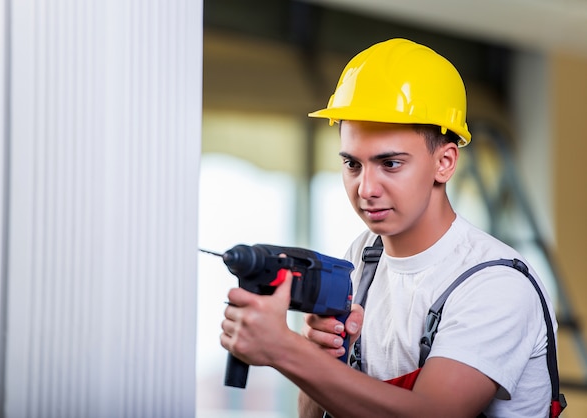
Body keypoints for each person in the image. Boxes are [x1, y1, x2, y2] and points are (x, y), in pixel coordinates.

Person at [220, 38, 562, 417]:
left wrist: (284, 350)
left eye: (390, 164)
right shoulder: (364, 258)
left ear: (445, 162)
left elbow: (433, 413)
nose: (365, 189)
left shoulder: (495, 284)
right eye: (352, 164)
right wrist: (320, 354)